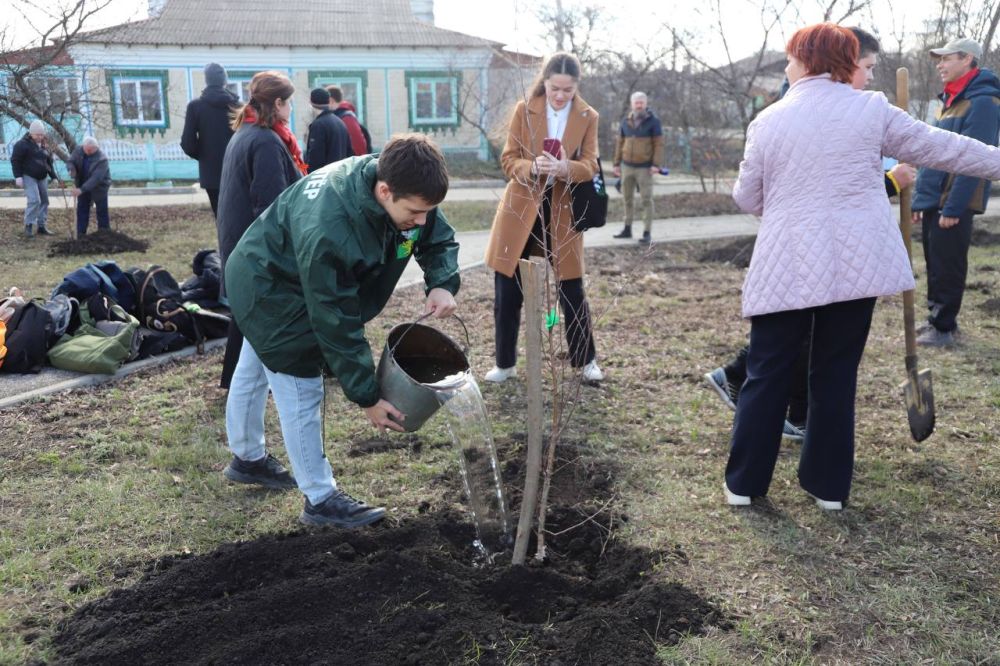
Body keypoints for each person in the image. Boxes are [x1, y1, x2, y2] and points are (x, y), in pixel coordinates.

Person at [723, 23, 1000, 511]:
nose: (786, 66)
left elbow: (748, 197)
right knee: (835, 372)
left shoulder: (767, 121)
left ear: (807, 61)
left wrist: (788, 203)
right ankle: (828, 489)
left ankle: (744, 485)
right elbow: (945, 147)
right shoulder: (871, 110)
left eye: (790, 58)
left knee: (767, 371)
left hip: (786, 260)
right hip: (857, 264)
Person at [222, 134, 460, 527]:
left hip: (272, 266)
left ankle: (247, 458)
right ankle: (320, 497)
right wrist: (366, 395)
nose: (421, 220)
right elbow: (335, 321)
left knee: (252, 367)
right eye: (415, 212)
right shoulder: (332, 228)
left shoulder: (399, 180)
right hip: (271, 289)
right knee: (299, 385)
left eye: (427, 211)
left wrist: (441, 281)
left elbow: (435, 235)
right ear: (384, 191)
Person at [704, 27, 918, 443]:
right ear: (845, 64)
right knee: (811, 350)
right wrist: (890, 182)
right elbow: (828, 184)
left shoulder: (845, 111)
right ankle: (796, 423)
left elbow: (755, 195)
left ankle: (778, 434)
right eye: (868, 67)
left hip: (820, 251)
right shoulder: (852, 110)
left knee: (801, 345)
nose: (871, 77)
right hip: (818, 252)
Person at [483, 52, 604, 384]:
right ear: (545, 82)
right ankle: (505, 364)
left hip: (562, 211)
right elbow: (508, 160)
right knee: (507, 291)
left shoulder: (588, 115)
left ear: (577, 85)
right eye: (555, 88)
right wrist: (533, 166)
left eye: (568, 89)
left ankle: (586, 360)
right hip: (521, 208)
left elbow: (591, 164)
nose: (561, 95)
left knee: (571, 290)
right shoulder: (525, 108)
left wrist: (566, 168)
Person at [216, 71, 308, 389]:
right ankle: (253, 382)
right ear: (278, 103)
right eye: (290, 102)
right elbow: (272, 206)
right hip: (253, 247)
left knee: (244, 318)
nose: (292, 109)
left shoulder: (247, 132)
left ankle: (234, 381)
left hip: (238, 242)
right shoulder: (266, 141)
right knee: (256, 318)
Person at [911, 37, 1000, 347]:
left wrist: (953, 207)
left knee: (948, 264)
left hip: (954, 203)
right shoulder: (949, 101)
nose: (940, 64)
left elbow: (975, 161)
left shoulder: (984, 103)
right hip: (935, 198)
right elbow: (933, 155)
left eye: (947, 58)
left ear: (968, 60)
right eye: (939, 59)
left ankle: (944, 326)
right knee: (935, 262)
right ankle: (935, 319)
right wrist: (922, 199)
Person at [181, 63, 240, 217]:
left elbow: (188, 143)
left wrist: (204, 156)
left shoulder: (195, 106)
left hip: (211, 174)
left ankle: (225, 241)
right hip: (238, 170)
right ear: (225, 81)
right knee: (240, 216)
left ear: (206, 80)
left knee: (220, 217)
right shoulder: (238, 106)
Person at [612, 91, 664, 245]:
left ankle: (646, 232)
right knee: (627, 199)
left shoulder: (654, 122)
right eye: (636, 102)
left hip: (645, 168)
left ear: (646, 104)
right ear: (632, 104)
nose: (639, 105)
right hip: (627, 167)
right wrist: (616, 164)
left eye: (641, 102)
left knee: (646, 200)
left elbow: (659, 145)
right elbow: (619, 143)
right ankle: (627, 229)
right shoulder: (625, 121)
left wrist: (656, 165)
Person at [10, 120, 58, 238]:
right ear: (31, 133)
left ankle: (41, 226)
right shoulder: (21, 145)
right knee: (34, 200)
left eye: (42, 134)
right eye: (37, 134)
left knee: (44, 201)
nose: (40, 137)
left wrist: (54, 177)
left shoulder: (44, 145)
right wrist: (18, 177)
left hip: (42, 177)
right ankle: (29, 225)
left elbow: (48, 163)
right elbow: (15, 161)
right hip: (28, 176)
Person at [66, 137, 112, 236]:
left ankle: (104, 235)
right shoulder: (79, 150)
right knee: (82, 210)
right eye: (86, 149)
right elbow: (70, 161)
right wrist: (71, 169)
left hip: (99, 188)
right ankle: (80, 234)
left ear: (96, 148)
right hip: (82, 186)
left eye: (90, 150)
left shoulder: (102, 159)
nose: (87, 152)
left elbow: (96, 179)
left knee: (102, 211)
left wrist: (81, 190)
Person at [305, 87, 351, 172]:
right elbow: (349, 153)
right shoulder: (340, 122)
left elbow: (315, 159)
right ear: (328, 101)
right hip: (340, 177)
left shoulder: (318, 125)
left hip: (325, 180)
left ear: (311, 103)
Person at [326, 84, 372, 156]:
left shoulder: (347, 118)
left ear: (331, 100)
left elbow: (358, 147)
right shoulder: (341, 116)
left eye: (325, 102)